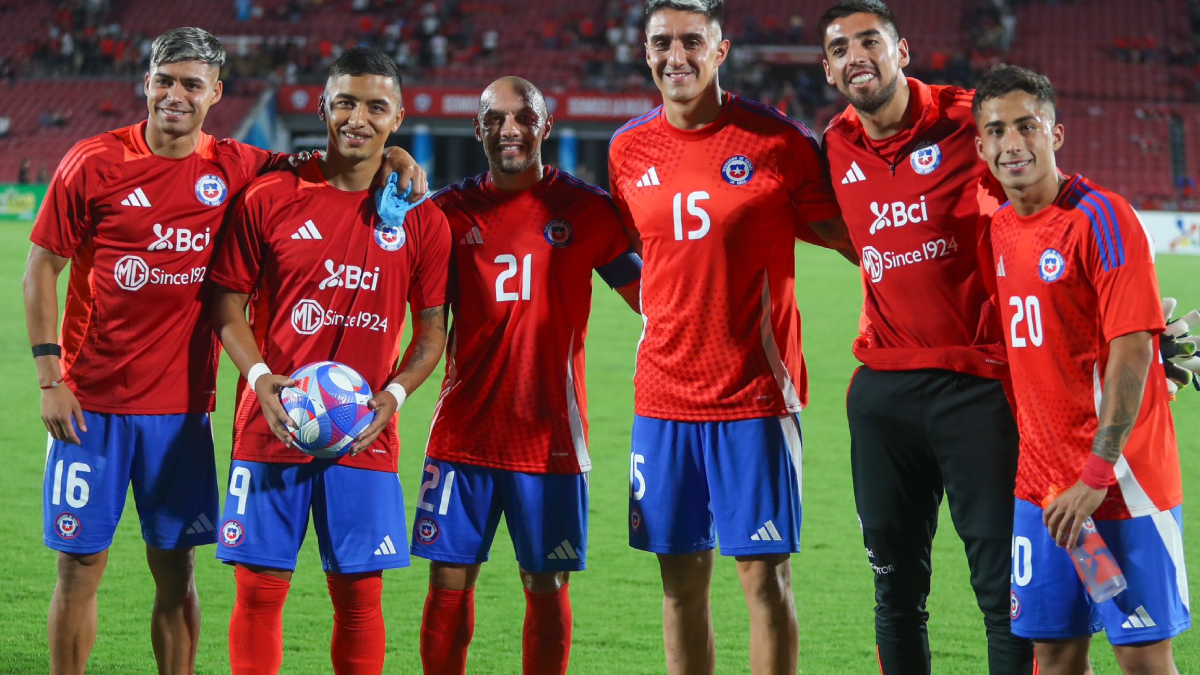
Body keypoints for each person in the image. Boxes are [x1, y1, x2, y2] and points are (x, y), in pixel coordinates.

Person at [22, 27, 424, 675]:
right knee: (79, 565)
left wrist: (396, 154)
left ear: (216, 93)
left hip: (183, 411)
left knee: (176, 567)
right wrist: (49, 376)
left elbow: (339, 155)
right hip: (89, 404)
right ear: (145, 83)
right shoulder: (92, 162)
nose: (174, 95)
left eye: (191, 84)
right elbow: (41, 266)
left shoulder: (242, 167)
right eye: (164, 81)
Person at [608, 1, 855, 672]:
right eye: (662, 42)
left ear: (720, 51)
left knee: (764, 583)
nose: (676, 56)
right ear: (646, 52)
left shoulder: (778, 141)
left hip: (755, 398)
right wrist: (657, 309)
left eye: (692, 41)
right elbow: (630, 247)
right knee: (679, 583)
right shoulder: (627, 148)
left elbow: (855, 240)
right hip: (662, 400)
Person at [208, 47, 450, 675]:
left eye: (376, 107)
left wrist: (393, 397)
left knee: (360, 598)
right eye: (345, 103)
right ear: (322, 108)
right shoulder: (270, 198)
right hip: (272, 424)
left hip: (365, 430)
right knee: (258, 592)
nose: (358, 119)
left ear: (397, 118)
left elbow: (431, 335)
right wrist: (260, 379)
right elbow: (226, 304)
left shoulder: (422, 218)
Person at [817, 2, 1033, 672]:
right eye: (839, 49)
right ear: (827, 70)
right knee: (895, 592)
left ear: (902, 51)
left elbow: (1049, 198)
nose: (856, 56)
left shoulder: (971, 117)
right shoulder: (834, 143)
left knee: (1004, 595)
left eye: (870, 41)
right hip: (883, 394)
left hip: (979, 387)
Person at [414, 76, 642, 675]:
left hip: (550, 441)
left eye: (522, 118)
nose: (508, 130)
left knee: (546, 583)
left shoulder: (586, 209)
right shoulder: (445, 213)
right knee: (447, 581)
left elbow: (652, 299)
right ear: (477, 128)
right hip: (462, 434)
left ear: (546, 125)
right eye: (494, 119)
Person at [974, 64, 1188, 675]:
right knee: (1056, 652)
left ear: (1056, 134)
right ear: (982, 147)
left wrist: (1097, 473)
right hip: (1043, 494)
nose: (1012, 143)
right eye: (996, 131)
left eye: (1027, 125)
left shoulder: (1102, 217)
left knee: (1142, 657)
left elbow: (1133, 349)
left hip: (1121, 489)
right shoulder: (1000, 229)